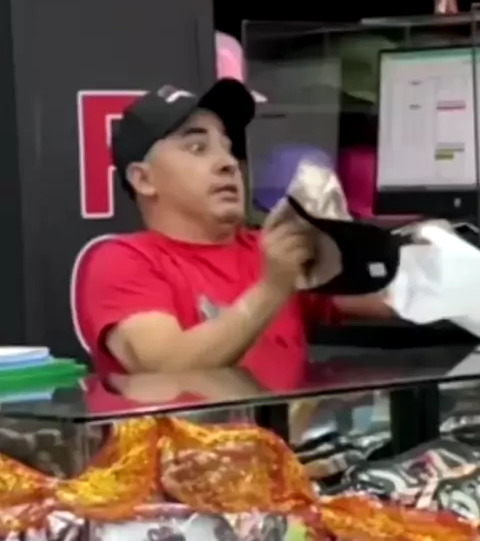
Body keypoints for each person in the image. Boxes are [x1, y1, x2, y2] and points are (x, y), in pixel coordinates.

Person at [79, 80, 392, 387]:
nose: (228, 163)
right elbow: (167, 367)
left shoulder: (272, 248)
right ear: (144, 180)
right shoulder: (122, 261)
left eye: (228, 148)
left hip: (282, 424)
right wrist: (272, 289)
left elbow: (389, 295)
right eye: (197, 148)